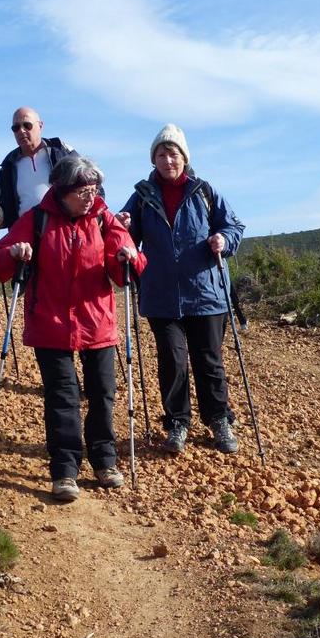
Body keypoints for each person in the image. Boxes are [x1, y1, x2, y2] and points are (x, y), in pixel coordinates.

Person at [0, 156, 145, 502]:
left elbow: (129, 267)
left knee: (102, 392)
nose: (90, 196)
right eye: (83, 191)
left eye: (94, 190)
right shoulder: (37, 219)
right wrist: (15, 251)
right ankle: (65, 470)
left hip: (96, 320)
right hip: (51, 322)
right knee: (63, 397)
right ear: (62, 190)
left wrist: (128, 256)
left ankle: (105, 461)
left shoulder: (103, 218)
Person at [118, 123, 245, 455]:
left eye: (172, 152)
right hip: (161, 294)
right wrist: (124, 231)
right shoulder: (143, 195)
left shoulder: (203, 190)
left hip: (206, 293)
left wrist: (224, 239)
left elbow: (233, 225)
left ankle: (218, 419)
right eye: (161, 153)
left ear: (184, 157)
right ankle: (177, 422)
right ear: (154, 159)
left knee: (209, 360)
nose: (167, 159)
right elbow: (123, 234)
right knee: (172, 360)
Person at [0, 107, 76, 230]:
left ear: (40, 126)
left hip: (64, 234)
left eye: (27, 125)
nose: (21, 131)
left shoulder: (61, 151)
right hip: (26, 242)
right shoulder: (8, 166)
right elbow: (4, 215)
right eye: (16, 127)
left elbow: (93, 186)